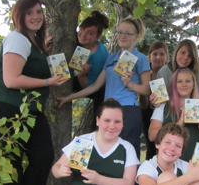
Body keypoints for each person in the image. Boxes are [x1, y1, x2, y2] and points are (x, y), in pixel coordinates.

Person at [0, 0, 68, 185]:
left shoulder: (29, 42)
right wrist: (47, 82)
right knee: (12, 161)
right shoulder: (17, 39)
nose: (36, 17)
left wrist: (42, 51)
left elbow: (27, 65)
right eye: (29, 12)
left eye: (39, 12)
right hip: (9, 105)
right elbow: (11, 79)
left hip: (28, 108)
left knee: (42, 157)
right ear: (19, 16)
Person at [57, 16, 150, 159]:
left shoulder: (141, 58)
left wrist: (130, 84)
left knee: (128, 154)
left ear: (136, 37)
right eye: (120, 32)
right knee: (105, 153)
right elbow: (95, 86)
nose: (122, 36)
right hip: (108, 111)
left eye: (128, 33)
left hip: (128, 110)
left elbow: (146, 90)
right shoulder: (111, 58)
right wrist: (68, 98)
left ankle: (131, 182)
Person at [149, 68, 199, 161]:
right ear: (174, 85)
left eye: (188, 81)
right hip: (169, 162)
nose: (184, 84)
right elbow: (151, 136)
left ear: (193, 84)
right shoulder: (162, 107)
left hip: (195, 162)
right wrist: (178, 125)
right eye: (179, 81)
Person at [72, 11, 110, 121]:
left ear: (97, 37)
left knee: (98, 119)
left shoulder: (97, 57)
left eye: (90, 33)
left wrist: (81, 76)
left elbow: (91, 86)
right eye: (82, 29)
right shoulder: (82, 40)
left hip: (102, 89)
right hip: (94, 84)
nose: (83, 34)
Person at [140, 41, 169, 160]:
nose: (158, 57)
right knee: (152, 146)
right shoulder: (145, 74)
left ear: (167, 56)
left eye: (162, 54)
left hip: (167, 113)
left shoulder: (171, 74)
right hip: (148, 114)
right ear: (149, 56)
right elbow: (143, 104)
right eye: (155, 54)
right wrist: (144, 94)